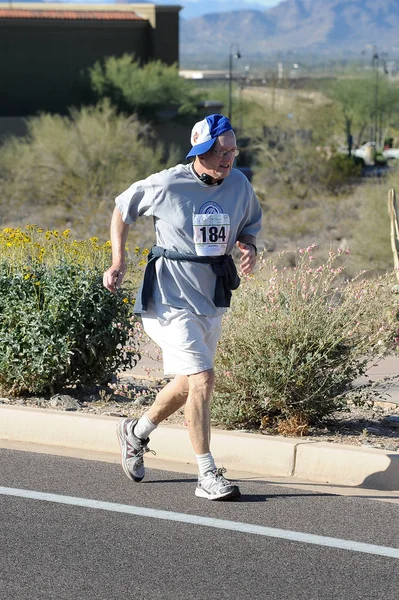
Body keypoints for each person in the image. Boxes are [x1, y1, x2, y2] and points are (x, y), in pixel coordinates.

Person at [103, 114, 262, 500]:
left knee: (188, 383)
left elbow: (250, 224)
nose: (228, 158)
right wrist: (118, 260)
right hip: (169, 298)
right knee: (204, 377)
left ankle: (136, 432)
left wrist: (249, 246)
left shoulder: (239, 183)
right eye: (220, 152)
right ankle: (207, 475)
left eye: (232, 150)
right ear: (200, 152)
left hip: (211, 296)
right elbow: (123, 209)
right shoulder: (167, 182)